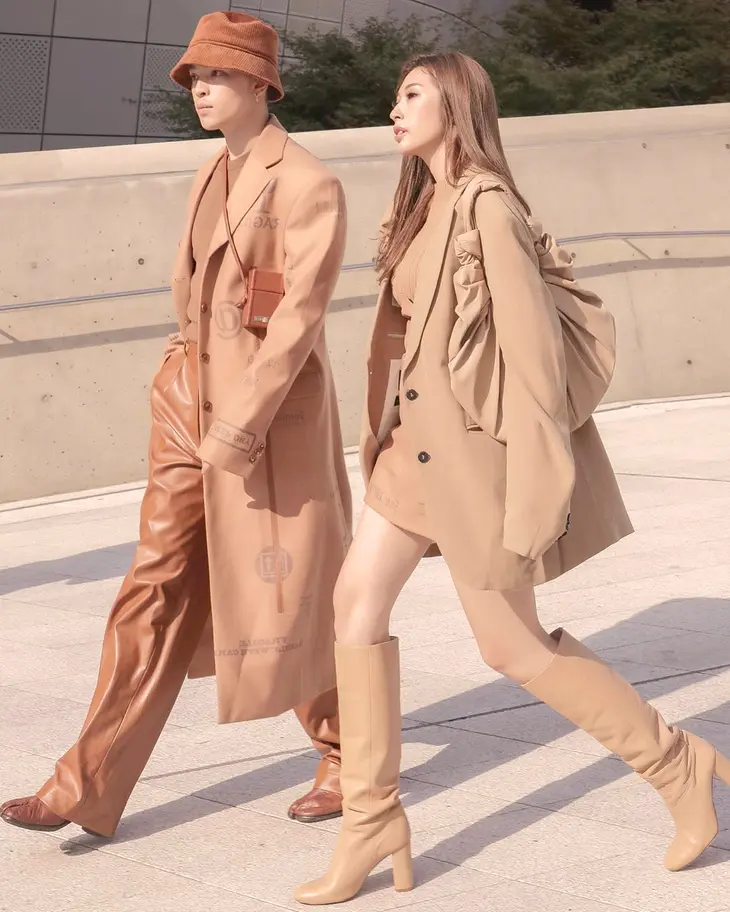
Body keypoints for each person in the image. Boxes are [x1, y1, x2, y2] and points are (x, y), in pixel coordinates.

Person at [294, 51, 730, 905]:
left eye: (411, 95)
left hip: (469, 461)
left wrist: (539, 484)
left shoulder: (486, 203)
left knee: (512, 648)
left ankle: (676, 764)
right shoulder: (426, 203)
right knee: (354, 606)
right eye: (394, 97)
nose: (394, 109)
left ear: (455, 103)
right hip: (408, 458)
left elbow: (531, 358)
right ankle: (371, 817)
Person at [1, 11, 351, 840]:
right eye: (194, 76)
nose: (199, 88)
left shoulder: (307, 183)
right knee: (151, 585)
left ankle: (346, 751)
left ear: (263, 83)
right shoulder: (210, 171)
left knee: (286, 587)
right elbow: (207, 287)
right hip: (185, 400)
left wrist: (237, 422)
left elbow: (296, 318)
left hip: (264, 422)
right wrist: (180, 365)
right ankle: (84, 782)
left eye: (217, 75)